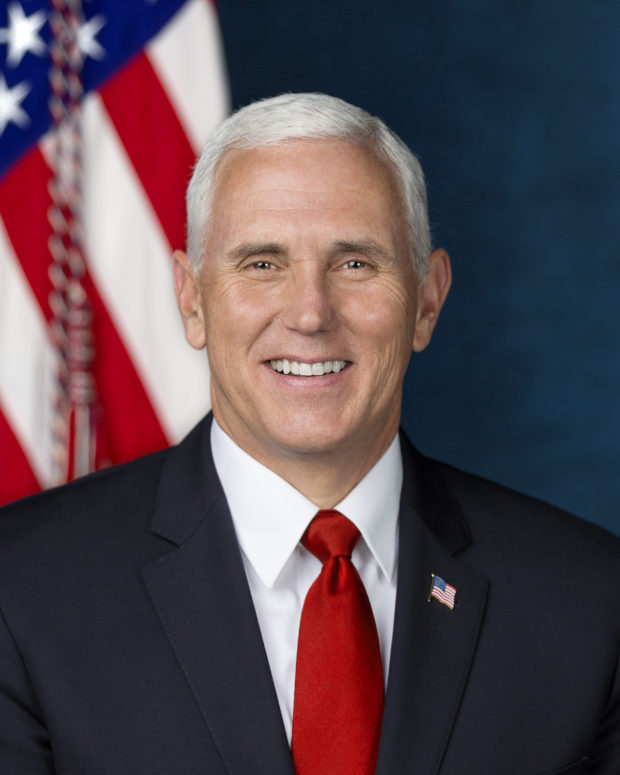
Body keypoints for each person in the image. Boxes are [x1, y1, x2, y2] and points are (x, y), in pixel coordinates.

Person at [0, 93, 618, 775]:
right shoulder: (22, 594)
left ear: (427, 299)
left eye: (355, 262)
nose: (310, 312)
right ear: (192, 299)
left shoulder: (590, 605)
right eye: (262, 262)